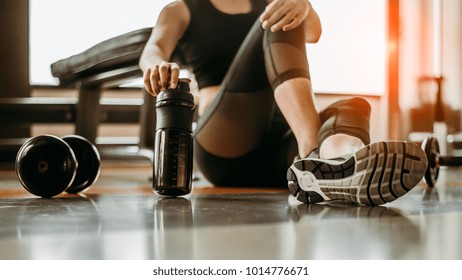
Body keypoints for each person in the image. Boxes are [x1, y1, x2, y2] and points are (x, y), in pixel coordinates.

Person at [139, 0, 428, 205]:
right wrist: (155, 66)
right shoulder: (182, 9)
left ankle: (343, 163)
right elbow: (153, 49)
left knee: (354, 105)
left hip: (281, 150)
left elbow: (313, 32)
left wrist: (304, 5)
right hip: (226, 143)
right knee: (277, 18)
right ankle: (314, 151)